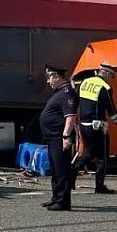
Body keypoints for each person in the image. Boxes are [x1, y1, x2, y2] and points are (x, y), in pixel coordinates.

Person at [72, 62, 117, 194]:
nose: (111, 79)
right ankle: (98, 185)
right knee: (101, 156)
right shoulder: (104, 87)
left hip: (84, 125)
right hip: (98, 126)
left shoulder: (84, 83)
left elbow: (76, 102)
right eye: (111, 76)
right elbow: (112, 111)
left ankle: (72, 175)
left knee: (91, 152)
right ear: (106, 73)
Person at [38, 63, 78, 211]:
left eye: (49, 77)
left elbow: (70, 117)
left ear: (56, 77)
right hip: (52, 137)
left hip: (59, 137)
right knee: (55, 169)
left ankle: (63, 202)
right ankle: (56, 197)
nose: (48, 81)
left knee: (61, 170)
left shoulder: (67, 93)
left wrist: (66, 136)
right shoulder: (59, 93)